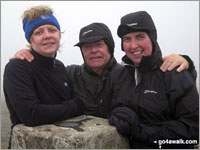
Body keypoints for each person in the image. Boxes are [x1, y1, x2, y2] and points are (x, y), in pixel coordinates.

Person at [10, 21, 195, 119]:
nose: (93, 51)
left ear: (110, 47)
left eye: (98, 44)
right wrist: (28, 54)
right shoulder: (70, 74)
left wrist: (186, 61)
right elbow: (46, 70)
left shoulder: (130, 74)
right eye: (86, 47)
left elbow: (159, 76)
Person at [108, 11, 199, 149]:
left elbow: (193, 131)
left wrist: (140, 131)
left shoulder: (174, 73)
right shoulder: (118, 75)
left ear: (152, 38)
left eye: (140, 37)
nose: (133, 46)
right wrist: (115, 116)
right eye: (127, 39)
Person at [3, 5, 84, 148]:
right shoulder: (17, 68)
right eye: (38, 32)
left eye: (52, 30)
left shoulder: (59, 66)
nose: (47, 35)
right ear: (31, 39)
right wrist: (76, 105)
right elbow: (32, 115)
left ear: (59, 34)